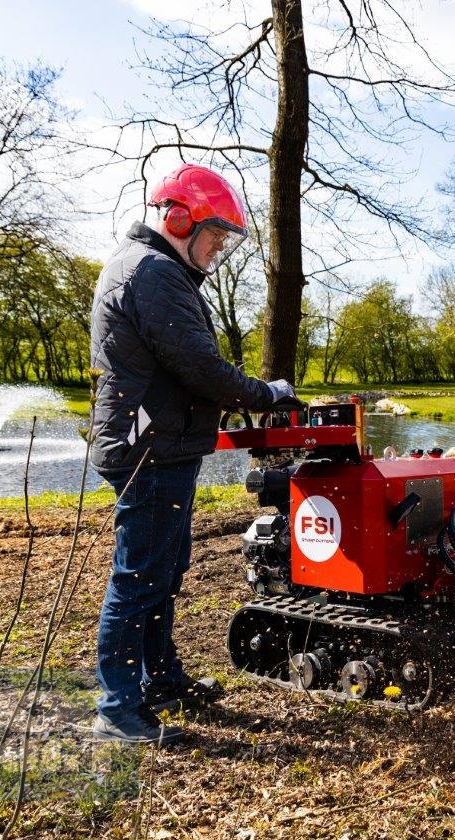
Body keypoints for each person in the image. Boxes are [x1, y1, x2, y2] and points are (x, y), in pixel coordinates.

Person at [89, 163, 295, 744]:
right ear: (180, 220)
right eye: (215, 236)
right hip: (147, 449)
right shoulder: (153, 273)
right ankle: (119, 705)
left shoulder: (152, 269)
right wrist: (267, 395)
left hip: (160, 445)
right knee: (140, 574)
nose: (217, 249)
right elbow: (199, 366)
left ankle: (159, 678)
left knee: (165, 569)